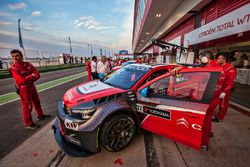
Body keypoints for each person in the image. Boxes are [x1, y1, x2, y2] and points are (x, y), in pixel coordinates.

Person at [171, 51, 223, 151]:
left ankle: (203, 142)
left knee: (201, 122)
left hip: (205, 101)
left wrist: (180, 71)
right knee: (207, 121)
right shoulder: (220, 68)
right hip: (214, 99)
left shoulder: (207, 70)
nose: (199, 60)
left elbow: (187, 78)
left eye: (200, 58)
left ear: (206, 58)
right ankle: (206, 136)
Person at [9, 49, 50, 130]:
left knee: (37, 101)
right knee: (27, 106)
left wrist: (27, 78)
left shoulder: (28, 64)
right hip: (23, 88)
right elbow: (20, 80)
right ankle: (28, 123)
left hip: (31, 86)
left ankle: (40, 115)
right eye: (13, 56)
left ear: (21, 56)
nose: (15, 58)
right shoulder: (14, 68)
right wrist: (31, 76)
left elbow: (37, 74)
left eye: (17, 55)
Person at [213, 53, 236, 122]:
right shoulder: (218, 66)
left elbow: (230, 81)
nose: (217, 60)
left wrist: (224, 91)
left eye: (219, 59)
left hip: (225, 89)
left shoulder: (230, 67)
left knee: (223, 104)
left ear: (224, 59)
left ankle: (219, 118)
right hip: (217, 88)